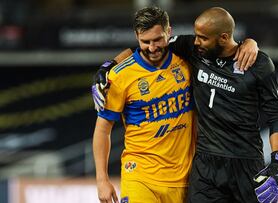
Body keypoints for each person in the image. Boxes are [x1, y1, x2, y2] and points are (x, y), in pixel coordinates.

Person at [92, 7, 259, 203]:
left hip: (186, 178)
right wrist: (101, 179)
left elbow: (223, 46)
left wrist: (249, 43)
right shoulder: (119, 76)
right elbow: (103, 129)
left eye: (158, 40)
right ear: (136, 36)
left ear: (169, 32)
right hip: (140, 177)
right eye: (145, 42)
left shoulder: (188, 60)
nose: (152, 48)